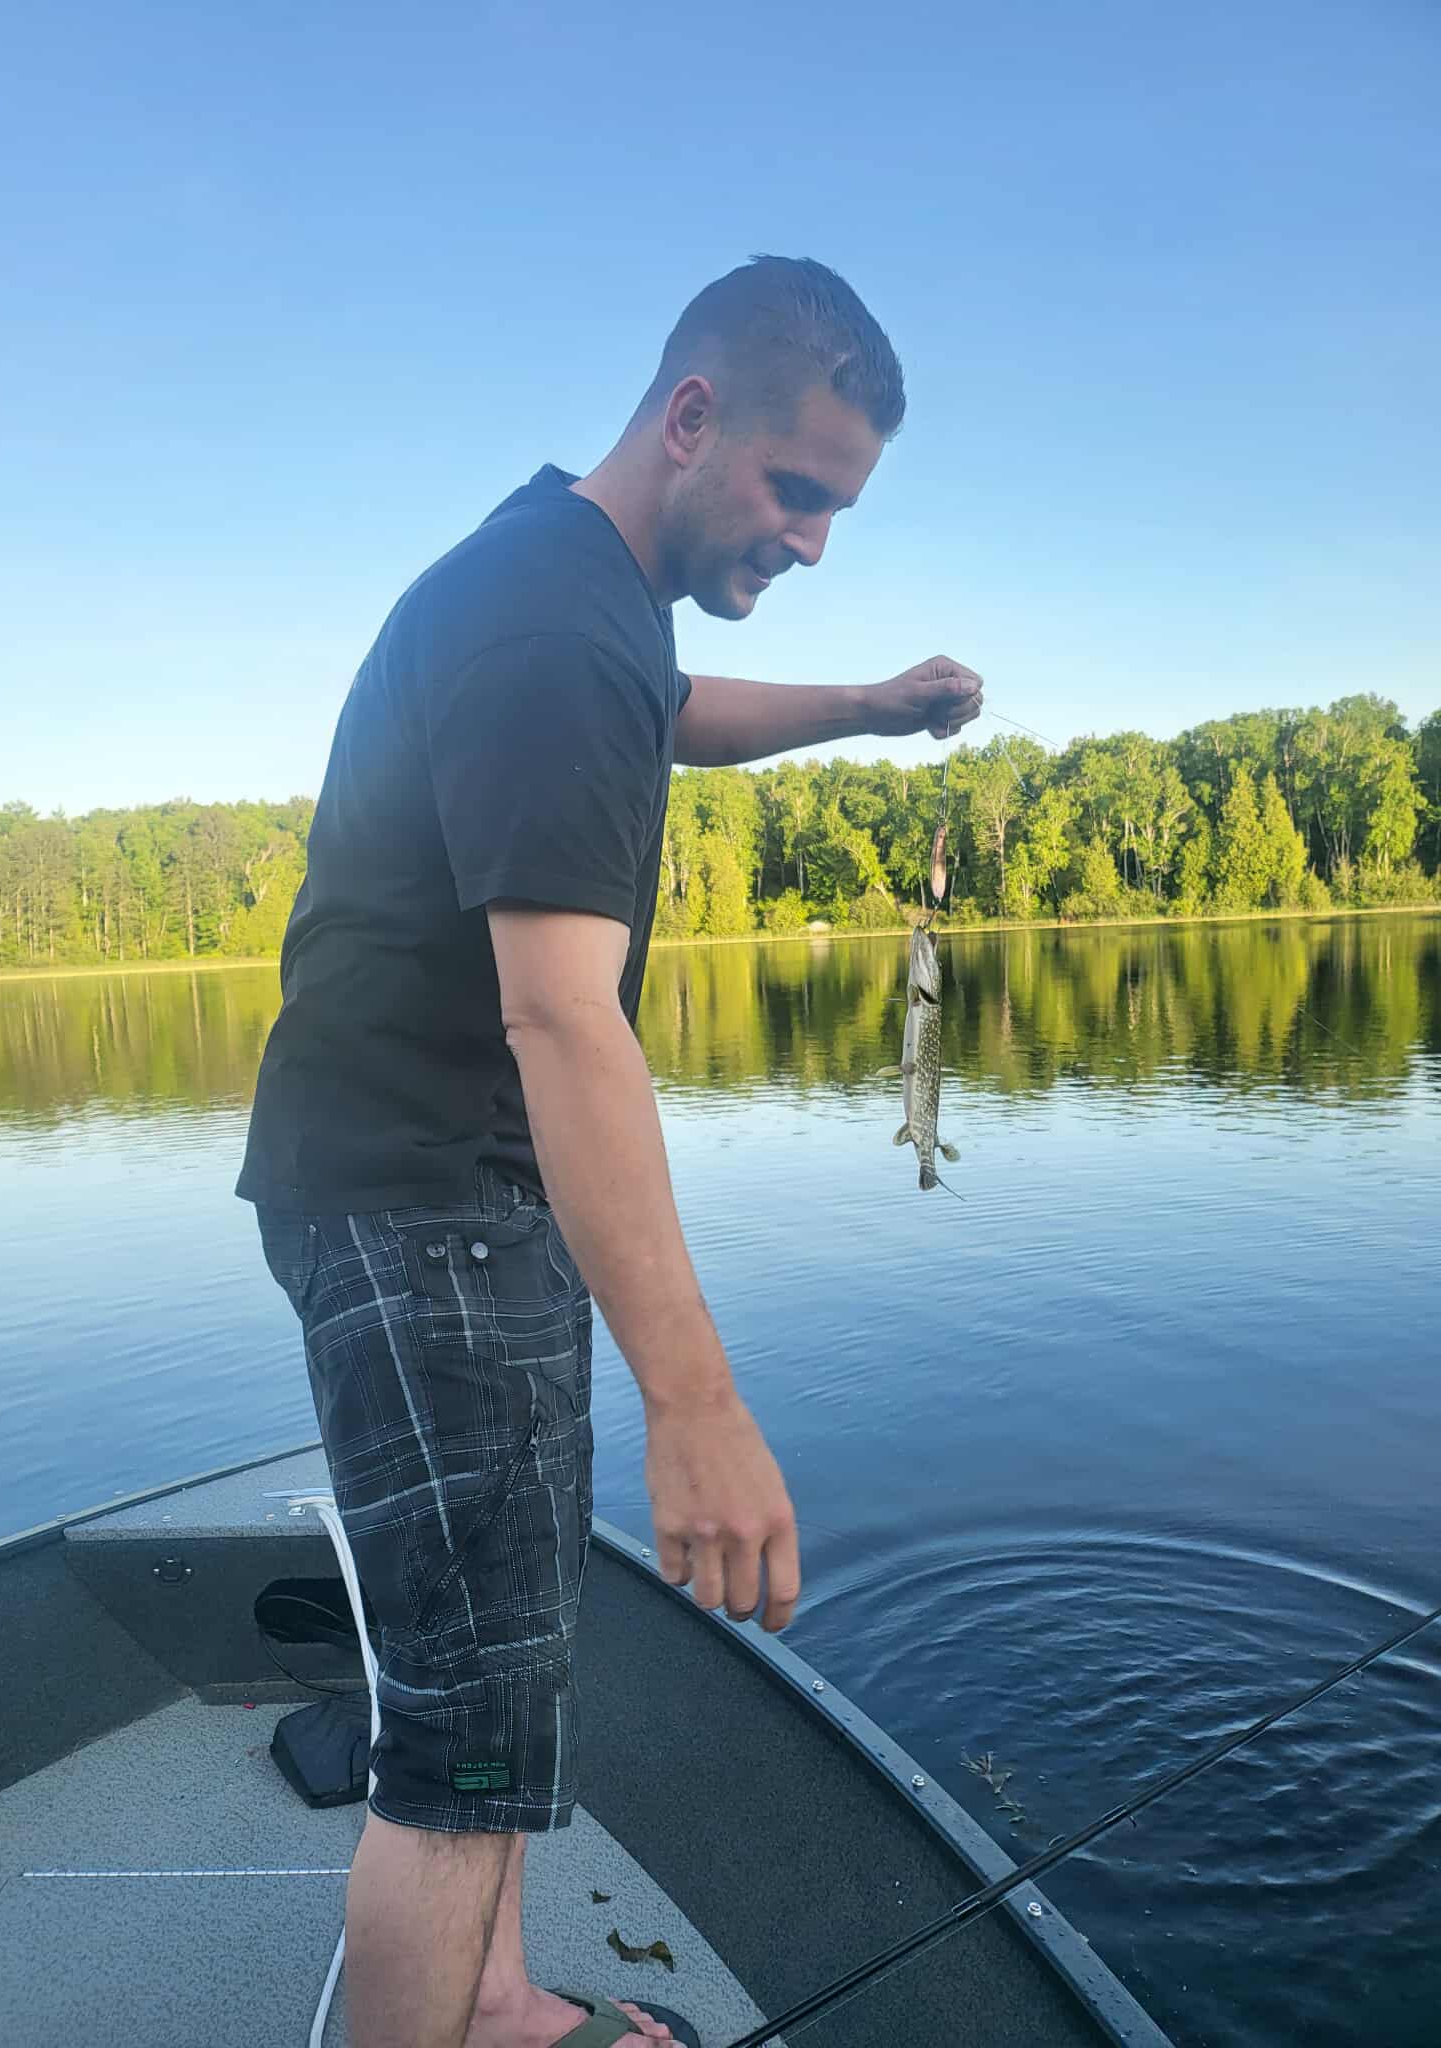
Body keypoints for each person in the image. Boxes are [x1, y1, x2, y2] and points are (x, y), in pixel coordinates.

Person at [239, 254, 983, 2048]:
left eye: (840, 510)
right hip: (427, 1202)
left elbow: (668, 710)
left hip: (437, 1189)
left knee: (497, 1670)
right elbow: (567, 1020)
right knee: (458, 1737)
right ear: (692, 415)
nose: (813, 542)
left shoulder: (570, 583)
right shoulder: (553, 623)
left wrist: (866, 708)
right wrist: (695, 1400)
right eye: (796, 491)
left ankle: (493, 1999)